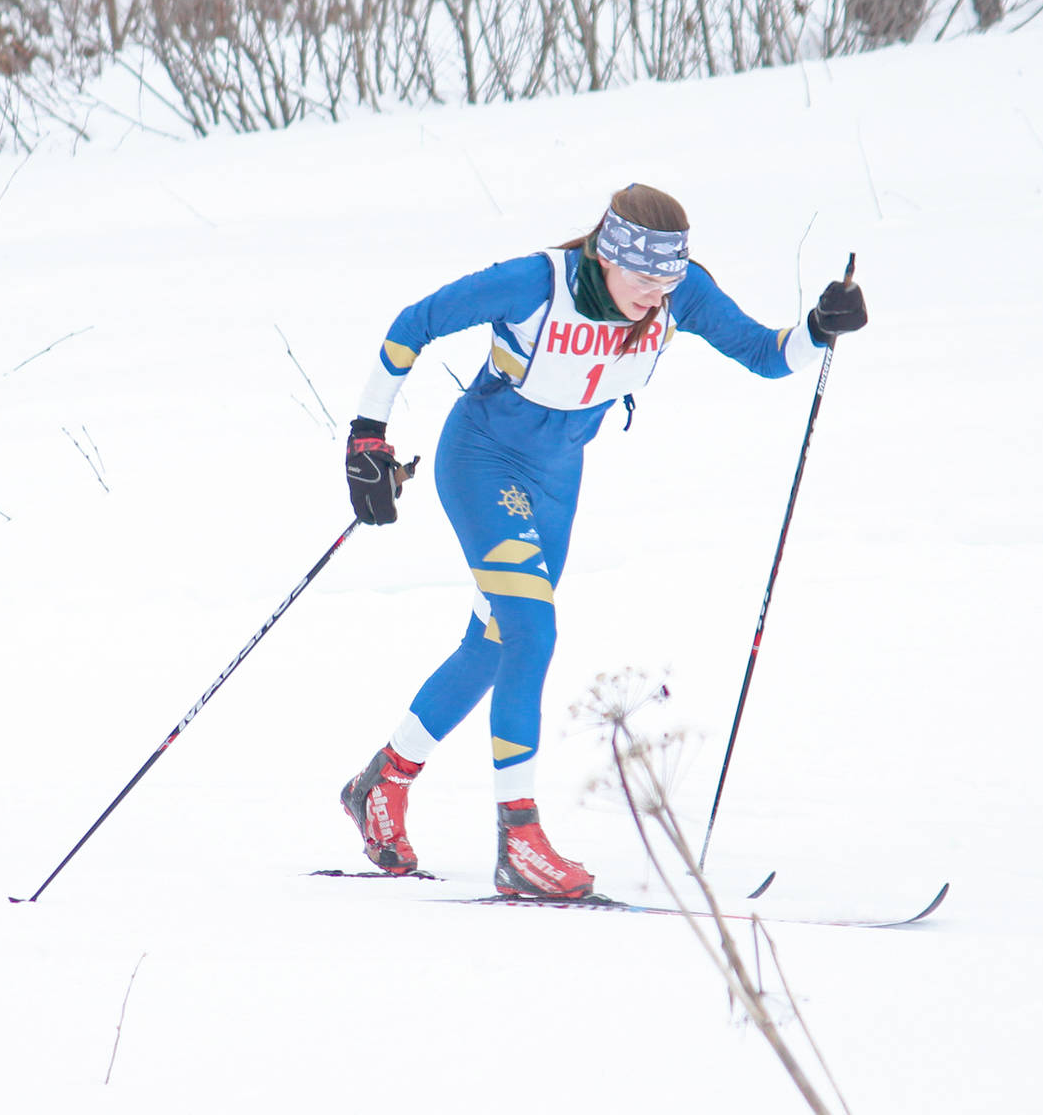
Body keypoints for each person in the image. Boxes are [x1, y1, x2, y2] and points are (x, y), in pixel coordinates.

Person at [338, 184, 866, 898]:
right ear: (605, 257)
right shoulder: (535, 283)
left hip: (557, 477)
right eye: (643, 279)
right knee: (531, 630)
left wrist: (819, 325)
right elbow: (413, 324)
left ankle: (383, 782)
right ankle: (518, 839)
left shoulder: (680, 292)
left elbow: (767, 355)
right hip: (483, 459)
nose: (656, 296)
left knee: (493, 644)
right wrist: (367, 434)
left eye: (667, 281)